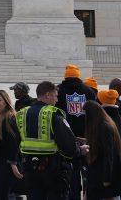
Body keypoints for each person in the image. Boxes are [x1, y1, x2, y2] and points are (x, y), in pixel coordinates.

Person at [18, 81, 82, 200]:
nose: (56, 100)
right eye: (55, 96)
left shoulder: (22, 113)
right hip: (53, 169)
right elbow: (69, 146)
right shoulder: (53, 114)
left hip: (29, 168)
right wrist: (80, 150)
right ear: (48, 95)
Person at [57, 64, 97, 200]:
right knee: (89, 173)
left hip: (67, 139)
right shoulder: (89, 91)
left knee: (71, 175)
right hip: (87, 138)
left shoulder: (59, 91)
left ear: (66, 76)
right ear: (78, 76)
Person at [83, 101, 121, 200]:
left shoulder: (104, 126)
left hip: (103, 174)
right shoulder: (103, 124)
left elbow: (109, 154)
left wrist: (107, 178)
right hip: (101, 172)